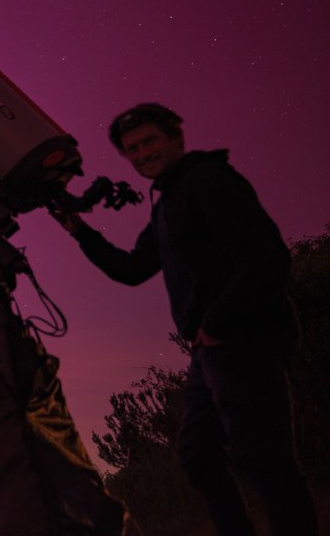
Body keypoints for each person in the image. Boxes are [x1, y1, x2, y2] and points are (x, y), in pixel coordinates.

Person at [51, 103, 318, 536]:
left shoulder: (209, 181)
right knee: (199, 456)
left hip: (243, 338)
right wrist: (78, 229)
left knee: (265, 458)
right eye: (132, 148)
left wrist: (215, 325)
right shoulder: (166, 203)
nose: (142, 153)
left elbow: (268, 258)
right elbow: (131, 269)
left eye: (150, 141)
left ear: (177, 137)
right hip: (209, 350)